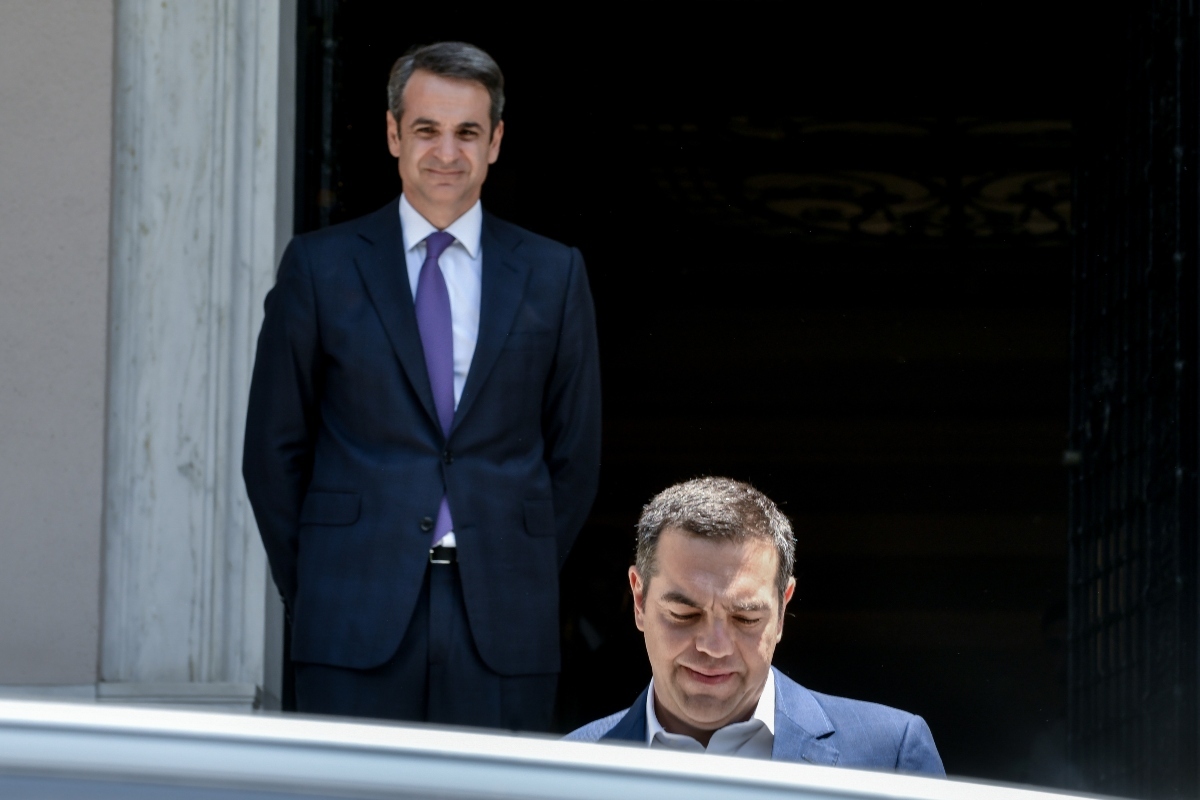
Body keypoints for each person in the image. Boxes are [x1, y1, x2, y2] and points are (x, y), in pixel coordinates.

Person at [243, 41, 601, 731]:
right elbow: (272, 449)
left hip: (504, 615)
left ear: (495, 142)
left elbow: (575, 455)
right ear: (393, 134)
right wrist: (316, 584)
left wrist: (519, 566)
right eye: (426, 129)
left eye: (467, 132)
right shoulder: (320, 268)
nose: (446, 152)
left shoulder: (554, 275)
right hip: (350, 608)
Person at [566, 477, 944, 774]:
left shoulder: (889, 754)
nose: (714, 646)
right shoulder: (568, 768)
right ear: (639, 600)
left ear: (782, 610)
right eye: (684, 615)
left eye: (745, 619)